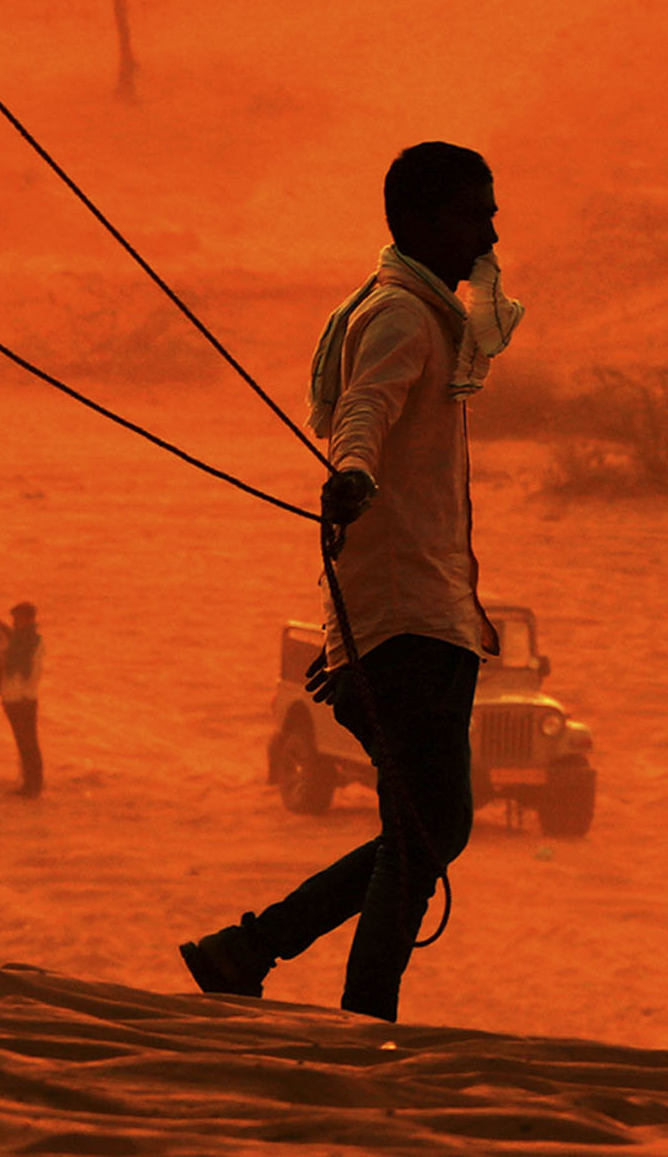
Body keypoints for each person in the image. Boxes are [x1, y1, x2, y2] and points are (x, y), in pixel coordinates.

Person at [183, 142, 515, 1022]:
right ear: (421, 223)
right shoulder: (404, 319)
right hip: (409, 618)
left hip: (399, 616)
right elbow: (365, 411)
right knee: (427, 834)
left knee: (423, 830)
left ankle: (250, 950)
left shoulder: (407, 309)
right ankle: (353, 1013)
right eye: (474, 211)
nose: (491, 227)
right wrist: (355, 471)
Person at [0, 602, 43, 796]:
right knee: (22, 744)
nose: (15, 621)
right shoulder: (14, 641)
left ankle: (35, 785)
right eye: (14, 618)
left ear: (29, 619)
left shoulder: (35, 642)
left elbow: (34, 672)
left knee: (29, 743)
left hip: (24, 699)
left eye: (19, 618)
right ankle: (29, 784)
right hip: (12, 699)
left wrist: (25, 695)